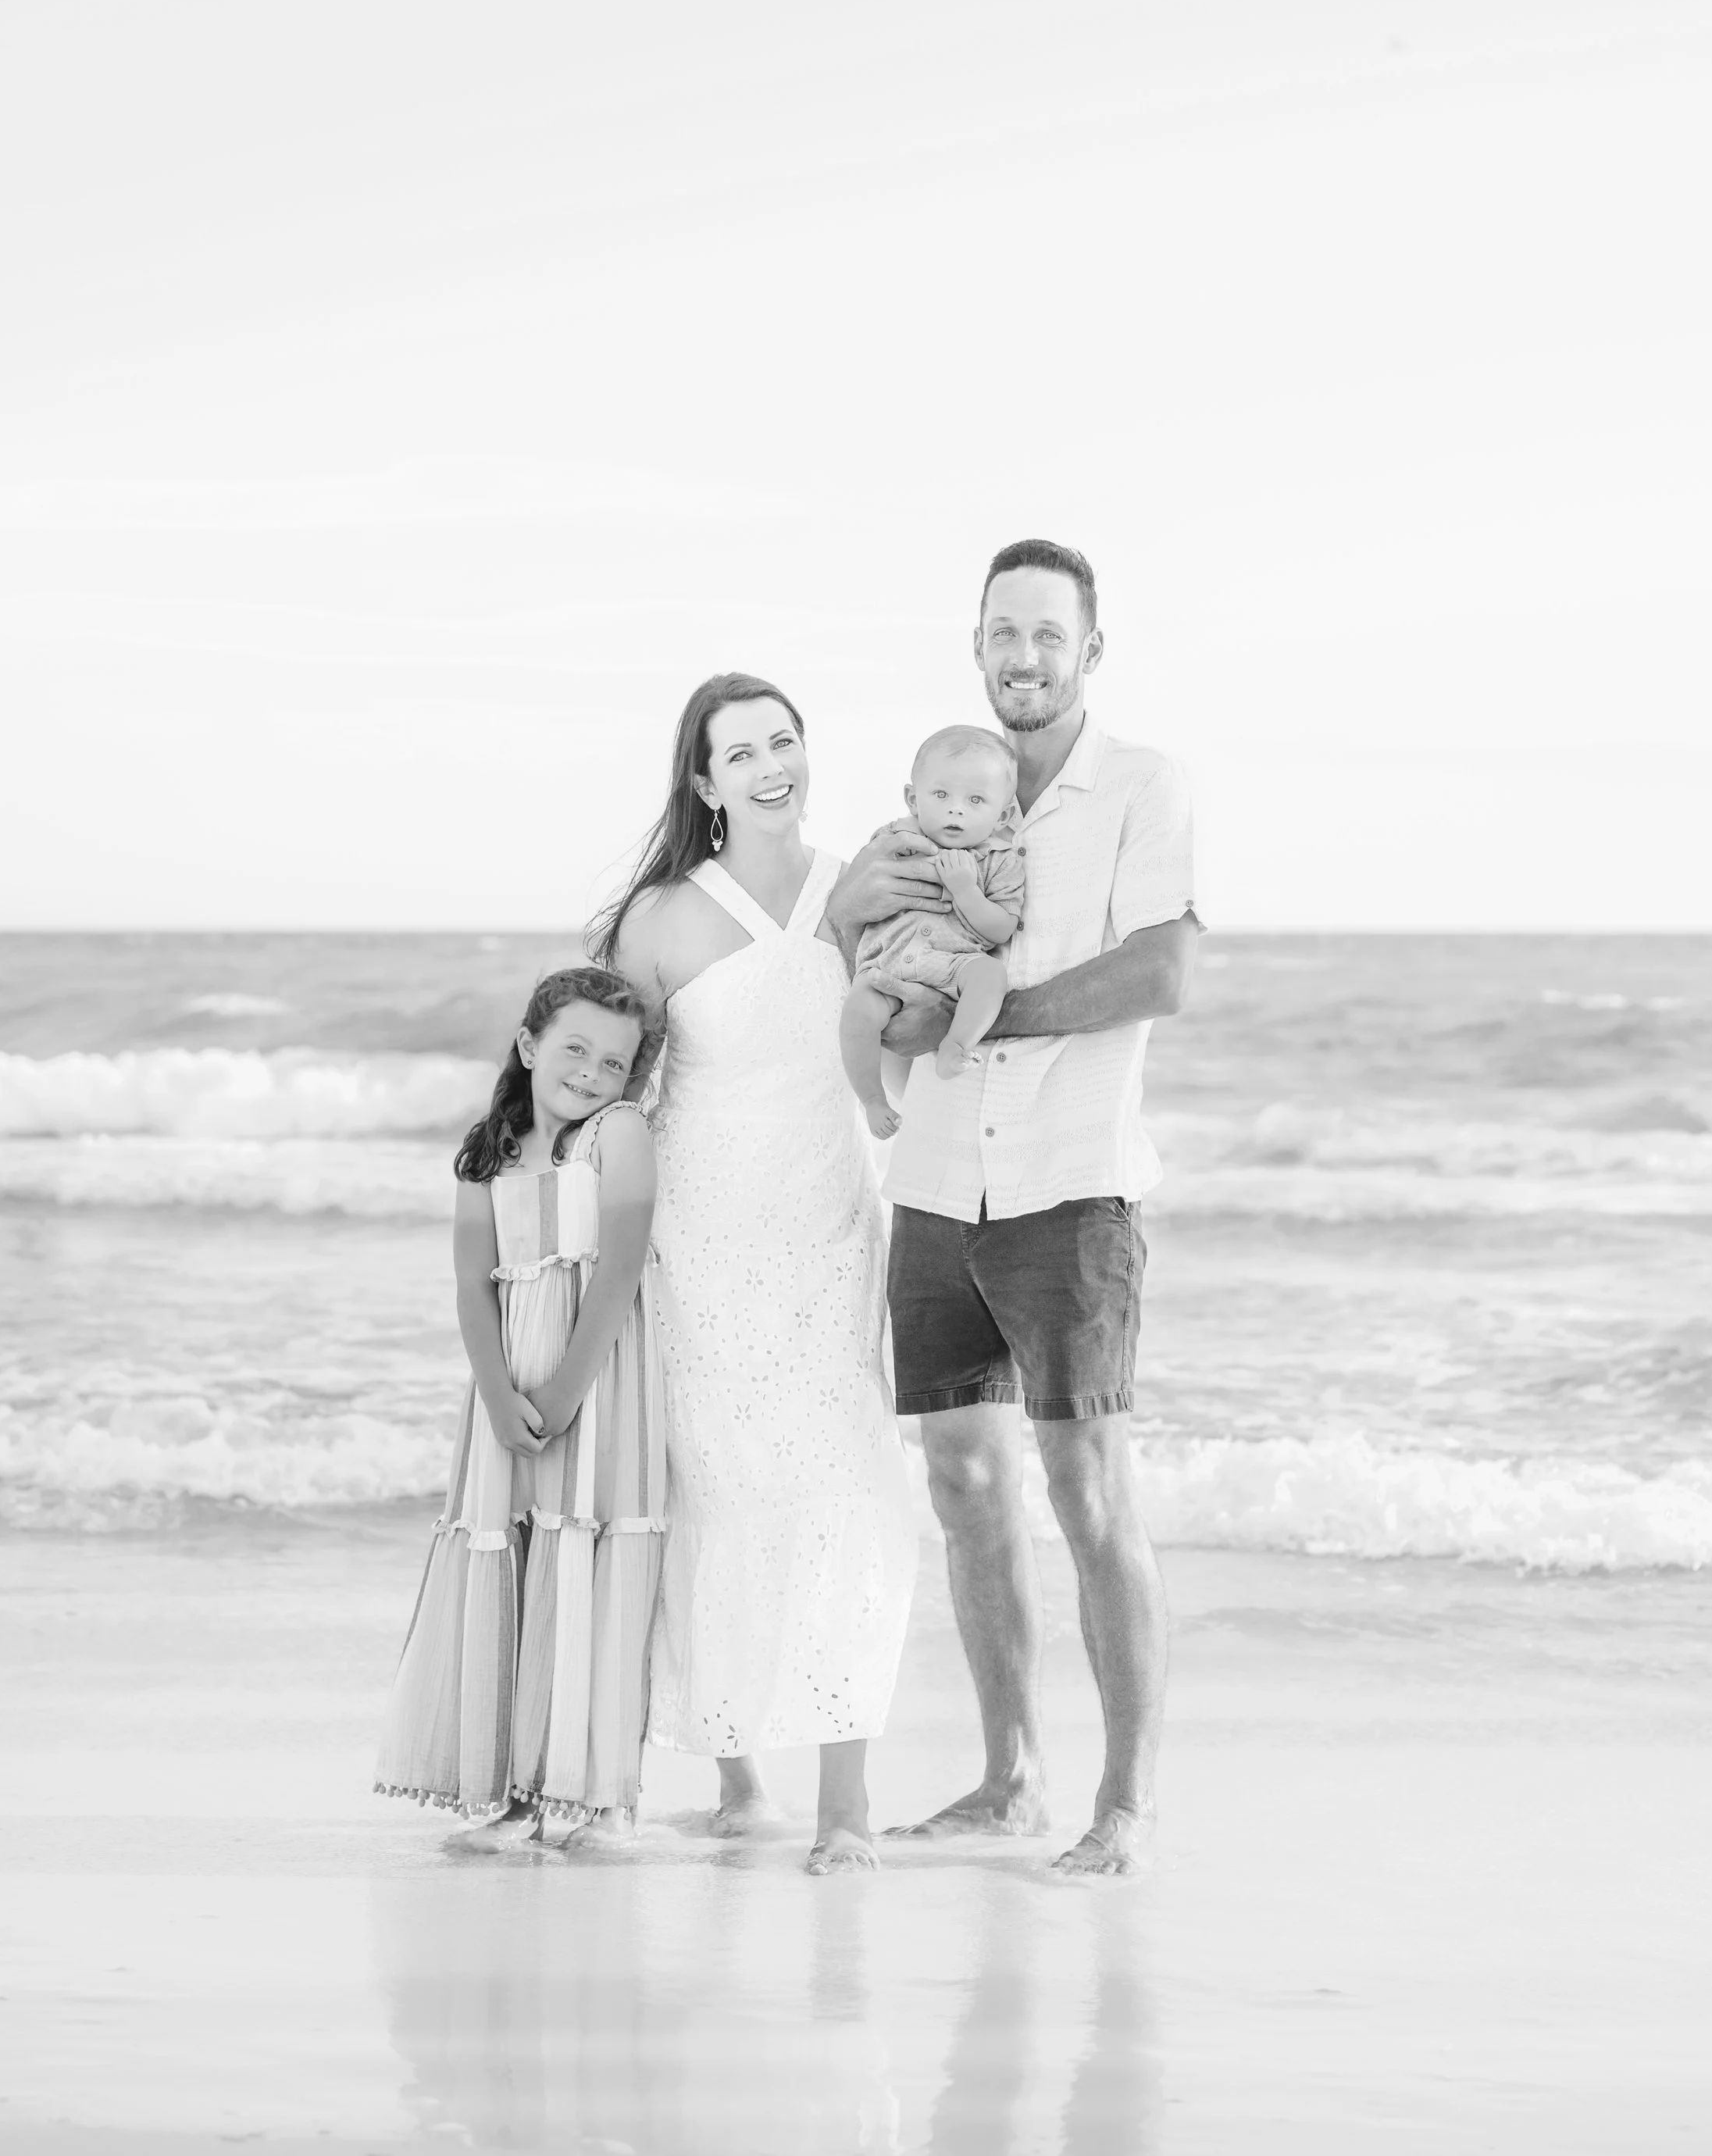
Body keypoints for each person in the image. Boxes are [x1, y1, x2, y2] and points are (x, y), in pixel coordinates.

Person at [826, 537, 1196, 1880]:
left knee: (1089, 1493)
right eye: (1001, 632)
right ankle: (1007, 1779)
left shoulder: (1140, 789)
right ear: (975, 645)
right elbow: (852, 934)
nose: (1022, 655)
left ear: (1090, 649)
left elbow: (1163, 971)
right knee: (966, 1483)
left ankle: (1127, 1805)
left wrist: (995, 1026)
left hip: (1069, 1188)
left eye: (1048, 633)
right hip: (931, 1186)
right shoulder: (938, 792)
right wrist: (857, 924)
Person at [594, 672, 918, 1876]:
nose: (772, 765)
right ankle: (737, 1775)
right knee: (719, 1491)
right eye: (743, 753)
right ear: (705, 780)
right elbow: (616, 1085)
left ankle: (847, 1809)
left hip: (833, 1225)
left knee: (848, 1499)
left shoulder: (863, 886)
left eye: (785, 741)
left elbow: (920, 1010)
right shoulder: (663, 917)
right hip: (703, 1236)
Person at [375, 965, 665, 1847]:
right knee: (513, 1552)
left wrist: (569, 1387)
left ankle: (592, 1793)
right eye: (574, 1049)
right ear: (530, 1045)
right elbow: (472, 1287)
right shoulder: (484, 1152)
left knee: (588, 1549)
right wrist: (500, 1400)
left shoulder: (619, 1133)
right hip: (503, 1386)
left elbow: (619, 1270)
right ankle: (505, 1786)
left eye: (614, 1062)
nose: (591, 1073)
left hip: (600, 1377)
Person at [838, 723, 1026, 1140]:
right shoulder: (895, 839)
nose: (955, 810)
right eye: (941, 796)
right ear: (913, 798)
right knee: (858, 1012)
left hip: (953, 964)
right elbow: (861, 887)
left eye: (976, 800)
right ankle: (871, 1099)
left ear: (1004, 814)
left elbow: (1001, 928)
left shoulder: (1000, 861)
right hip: (887, 961)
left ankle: (957, 1044)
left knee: (990, 975)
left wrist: (966, 890)